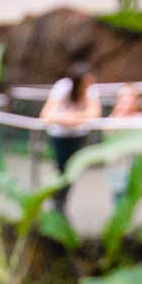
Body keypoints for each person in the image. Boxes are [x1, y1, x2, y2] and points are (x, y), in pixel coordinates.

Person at [39, 62, 101, 211]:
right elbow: (46, 114)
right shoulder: (62, 88)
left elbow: (94, 114)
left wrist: (75, 118)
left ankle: (60, 203)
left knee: (73, 171)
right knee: (62, 169)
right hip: (60, 136)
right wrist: (66, 119)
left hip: (78, 136)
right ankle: (58, 204)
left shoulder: (91, 91)